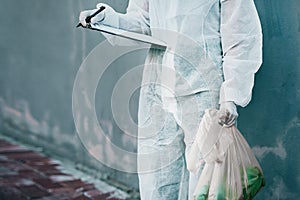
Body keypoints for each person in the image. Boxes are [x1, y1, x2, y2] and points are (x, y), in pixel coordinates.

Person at [79, 0, 262, 199]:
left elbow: (241, 37)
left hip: (203, 89)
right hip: (157, 87)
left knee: (205, 176)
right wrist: (106, 19)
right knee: (156, 174)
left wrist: (231, 96)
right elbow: (141, 23)